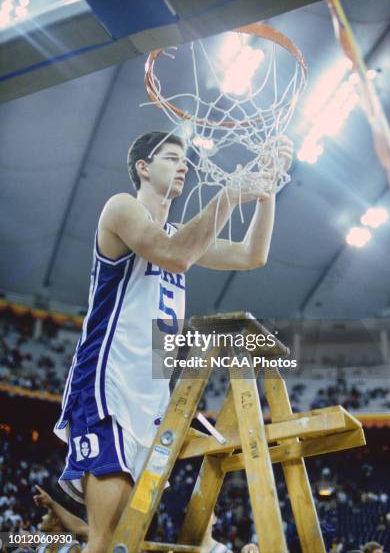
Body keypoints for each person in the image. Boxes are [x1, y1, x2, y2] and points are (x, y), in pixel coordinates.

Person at [54, 130, 293, 552]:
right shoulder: (122, 208)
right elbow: (175, 254)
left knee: (129, 537)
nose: (183, 165)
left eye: (185, 159)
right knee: (106, 539)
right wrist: (228, 196)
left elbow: (252, 255)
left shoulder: (180, 233)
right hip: (107, 382)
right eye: (171, 157)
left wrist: (266, 187)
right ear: (143, 168)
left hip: (152, 392)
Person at [33, 486, 85, 552]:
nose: (43, 517)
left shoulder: (73, 549)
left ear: (55, 520)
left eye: (47, 514)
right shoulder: (40, 548)